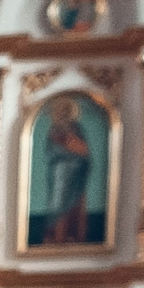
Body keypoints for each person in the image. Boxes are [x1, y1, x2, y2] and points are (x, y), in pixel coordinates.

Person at [41, 102, 94, 245]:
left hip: (76, 175)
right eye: (61, 110)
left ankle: (74, 236)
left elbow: (84, 152)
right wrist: (66, 151)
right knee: (58, 205)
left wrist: (76, 151)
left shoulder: (77, 129)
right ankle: (56, 237)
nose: (63, 113)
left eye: (66, 110)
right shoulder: (54, 130)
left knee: (75, 206)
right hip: (60, 174)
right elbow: (51, 152)